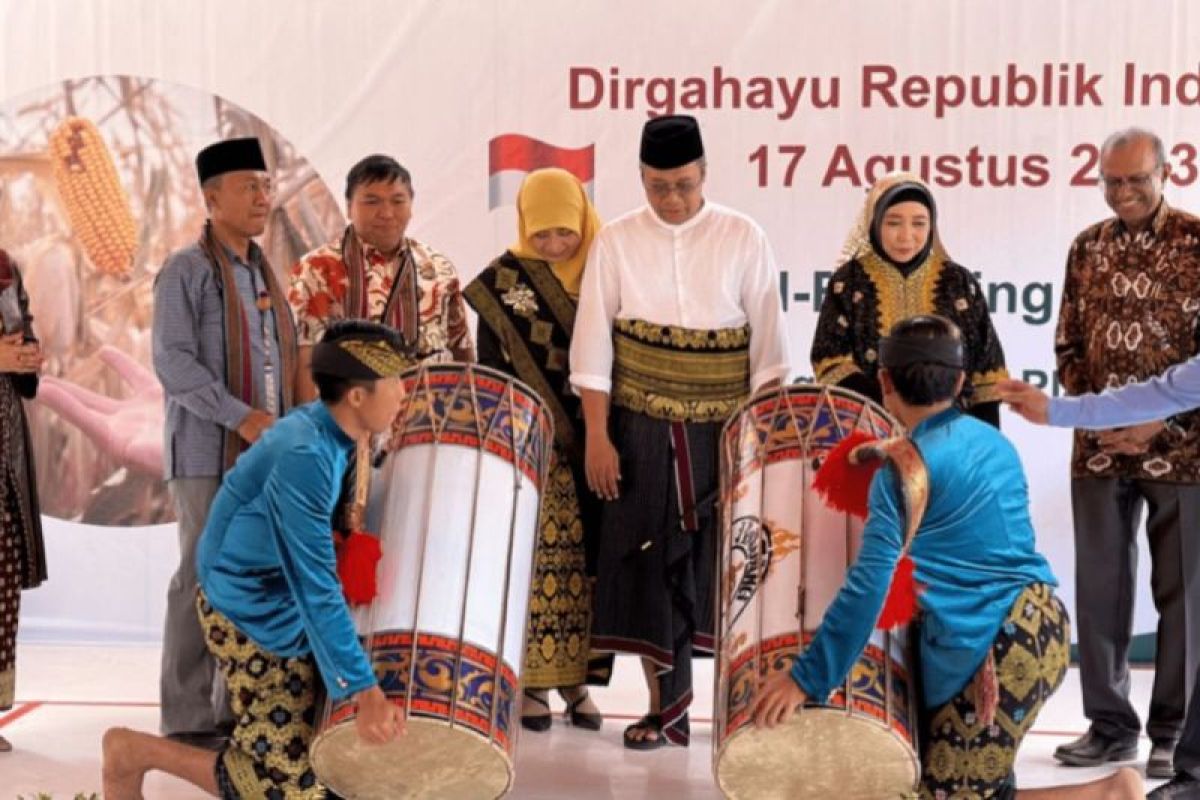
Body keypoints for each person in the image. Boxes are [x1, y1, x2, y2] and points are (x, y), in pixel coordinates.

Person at [753, 315, 1143, 800]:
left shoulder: (903, 469)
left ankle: (1110, 794)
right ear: (960, 381)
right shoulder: (994, 443)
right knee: (968, 785)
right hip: (1041, 624)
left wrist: (805, 677)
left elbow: (868, 585)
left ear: (883, 381)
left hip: (997, 649)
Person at [102, 320, 407, 799]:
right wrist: (364, 691)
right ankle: (133, 752)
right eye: (395, 383)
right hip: (250, 607)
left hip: (273, 592)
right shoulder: (305, 454)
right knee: (283, 787)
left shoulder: (329, 433)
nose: (403, 394)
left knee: (321, 766)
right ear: (356, 397)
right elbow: (315, 585)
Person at [570, 115, 791, 748]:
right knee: (645, 563)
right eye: (659, 186)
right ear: (640, 178)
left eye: (685, 185)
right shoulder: (615, 240)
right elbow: (592, 348)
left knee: (726, 564)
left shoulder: (742, 235)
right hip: (637, 428)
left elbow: (770, 354)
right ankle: (658, 706)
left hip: (722, 432)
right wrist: (597, 435)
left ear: (705, 175)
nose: (672, 199)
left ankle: (733, 708)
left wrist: (756, 448)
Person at [1051, 127, 1200, 777]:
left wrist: (1155, 423)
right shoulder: (1086, 248)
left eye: (1136, 177)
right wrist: (1104, 421)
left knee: (1184, 596)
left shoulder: (1198, 243)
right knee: (1101, 589)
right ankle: (1110, 726)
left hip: (1184, 450)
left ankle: (1173, 729)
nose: (1123, 191)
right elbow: (1068, 347)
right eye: (1111, 180)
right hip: (1101, 449)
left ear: (1166, 173)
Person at [152, 137, 299, 748]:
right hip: (207, 456)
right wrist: (242, 419)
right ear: (211, 199)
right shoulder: (186, 270)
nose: (263, 196)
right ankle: (186, 718)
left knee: (249, 578)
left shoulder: (262, 270)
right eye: (248, 187)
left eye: (266, 186)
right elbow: (173, 363)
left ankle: (234, 708)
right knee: (199, 578)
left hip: (263, 455)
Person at [464, 167, 610, 732]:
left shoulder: (606, 269)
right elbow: (493, 374)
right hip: (534, 451)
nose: (553, 246)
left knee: (592, 569)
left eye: (564, 234)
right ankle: (530, 687)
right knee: (531, 567)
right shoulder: (503, 282)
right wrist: (528, 439)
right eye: (541, 234)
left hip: (599, 446)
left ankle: (577, 687)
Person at [810, 171, 1007, 426]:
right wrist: (891, 411)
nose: (906, 235)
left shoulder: (958, 282)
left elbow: (986, 373)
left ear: (932, 225)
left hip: (952, 435)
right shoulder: (849, 281)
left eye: (919, 223)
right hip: (869, 431)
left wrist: (984, 443)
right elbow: (831, 364)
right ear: (875, 221)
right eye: (893, 222)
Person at [288, 154, 474, 396]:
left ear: (411, 205)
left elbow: (461, 349)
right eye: (372, 201)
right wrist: (311, 430)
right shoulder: (317, 268)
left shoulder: (438, 268)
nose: (386, 213)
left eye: (398, 201)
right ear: (348, 207)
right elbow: (304, 357)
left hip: (427, 417)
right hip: (348, 419)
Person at [0, 249, 45, 754]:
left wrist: (27, 355)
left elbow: (22, 327)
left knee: (3, 578)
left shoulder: (5, 266)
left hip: (6, 450)